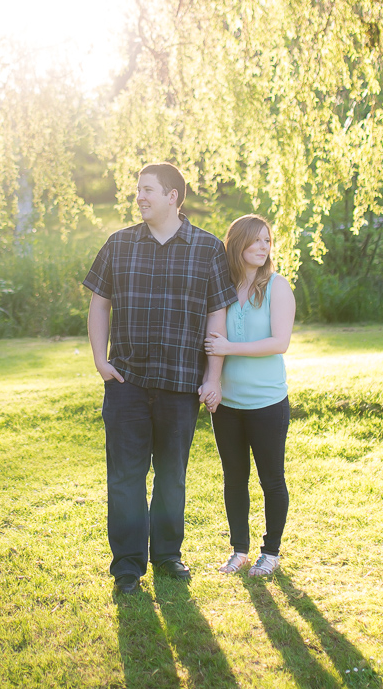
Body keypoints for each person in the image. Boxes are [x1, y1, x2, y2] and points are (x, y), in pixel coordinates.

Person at [83, 162, 238, 595]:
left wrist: (214, 376)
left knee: (172, 475)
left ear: (173, 197)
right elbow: (100, 303)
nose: (140, 197)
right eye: (138, 191)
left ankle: (168, 556)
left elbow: (217, 314)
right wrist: (100, 359)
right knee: (126, 478)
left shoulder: (207, 249)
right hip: (127, 382)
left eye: (148, 190)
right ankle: (128, 567)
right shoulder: (119, 244)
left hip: (180, 384)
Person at [203, 214, 295, 578]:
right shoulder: (222, 288)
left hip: (267, 403)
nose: (262, 247)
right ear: (237, 243)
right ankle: (239, 551)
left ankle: (270, 553)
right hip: (227, 404)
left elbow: (280, 343)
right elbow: (212, 342)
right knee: (234, 478)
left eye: (267, 241)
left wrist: (231, 346)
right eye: (255, 240)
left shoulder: (276, 286)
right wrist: (212, 381)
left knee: (271, 479)